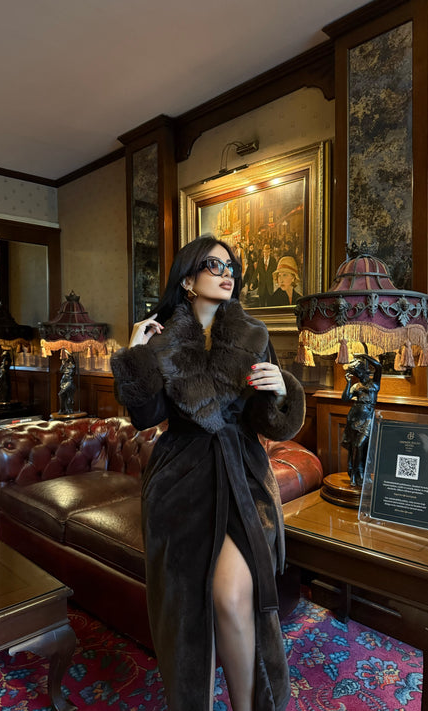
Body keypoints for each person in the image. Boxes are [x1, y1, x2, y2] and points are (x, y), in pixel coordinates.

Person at [111, 234, 305, 711]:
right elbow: (147, 417)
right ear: (188, 278)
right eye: (214, 265)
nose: (227, 273)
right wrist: (135, 356)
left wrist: (282, 390)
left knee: (233, 599)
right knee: (187, 613)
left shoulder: (254, 336)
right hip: (179, 483)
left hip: (243, 476)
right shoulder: (161, 343)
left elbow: (268, 421)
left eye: (231, 266)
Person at [341, 353, 382, 487]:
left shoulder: (375, 382)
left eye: (359, 371)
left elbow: (378, 366)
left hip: (368, 418)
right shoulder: (356, 386)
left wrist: (364, 356)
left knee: (360, 446)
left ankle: (363, 474)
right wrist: (348, 383)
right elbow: (345, 398)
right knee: (355, 447)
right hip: (355, 418)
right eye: (356, 373)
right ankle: (356, 476)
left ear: (364, 370)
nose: (358, 374)